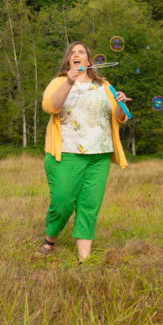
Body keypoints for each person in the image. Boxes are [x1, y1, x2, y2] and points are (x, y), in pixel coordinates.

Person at [35, 41, 131, 262]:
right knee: (63, 202)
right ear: (69, 61)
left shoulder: (104, 85)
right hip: (66, 153)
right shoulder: (59, 82)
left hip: (99, 155)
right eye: (72, 53)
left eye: (81, 52)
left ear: (89, 60)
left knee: (90, 205)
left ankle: (83, 259)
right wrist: (70, 80)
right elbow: (50, 107)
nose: (76, 55)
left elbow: (120, 118)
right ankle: (50, 240)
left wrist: (120, 104)